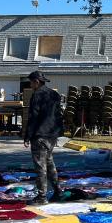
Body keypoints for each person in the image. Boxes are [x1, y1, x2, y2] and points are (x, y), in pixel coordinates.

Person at [24, 71, 64, 204]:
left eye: (31, 82)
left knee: (41, 167)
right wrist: (58, 132)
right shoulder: (54, 94)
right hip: (52, 135)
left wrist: (28, 135)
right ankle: (58, 191)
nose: (30, 85)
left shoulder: (37, 95)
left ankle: (42, 197)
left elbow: (33, 117)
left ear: (36, 81)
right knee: (49, 163)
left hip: (40, 135)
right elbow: (59, 115)